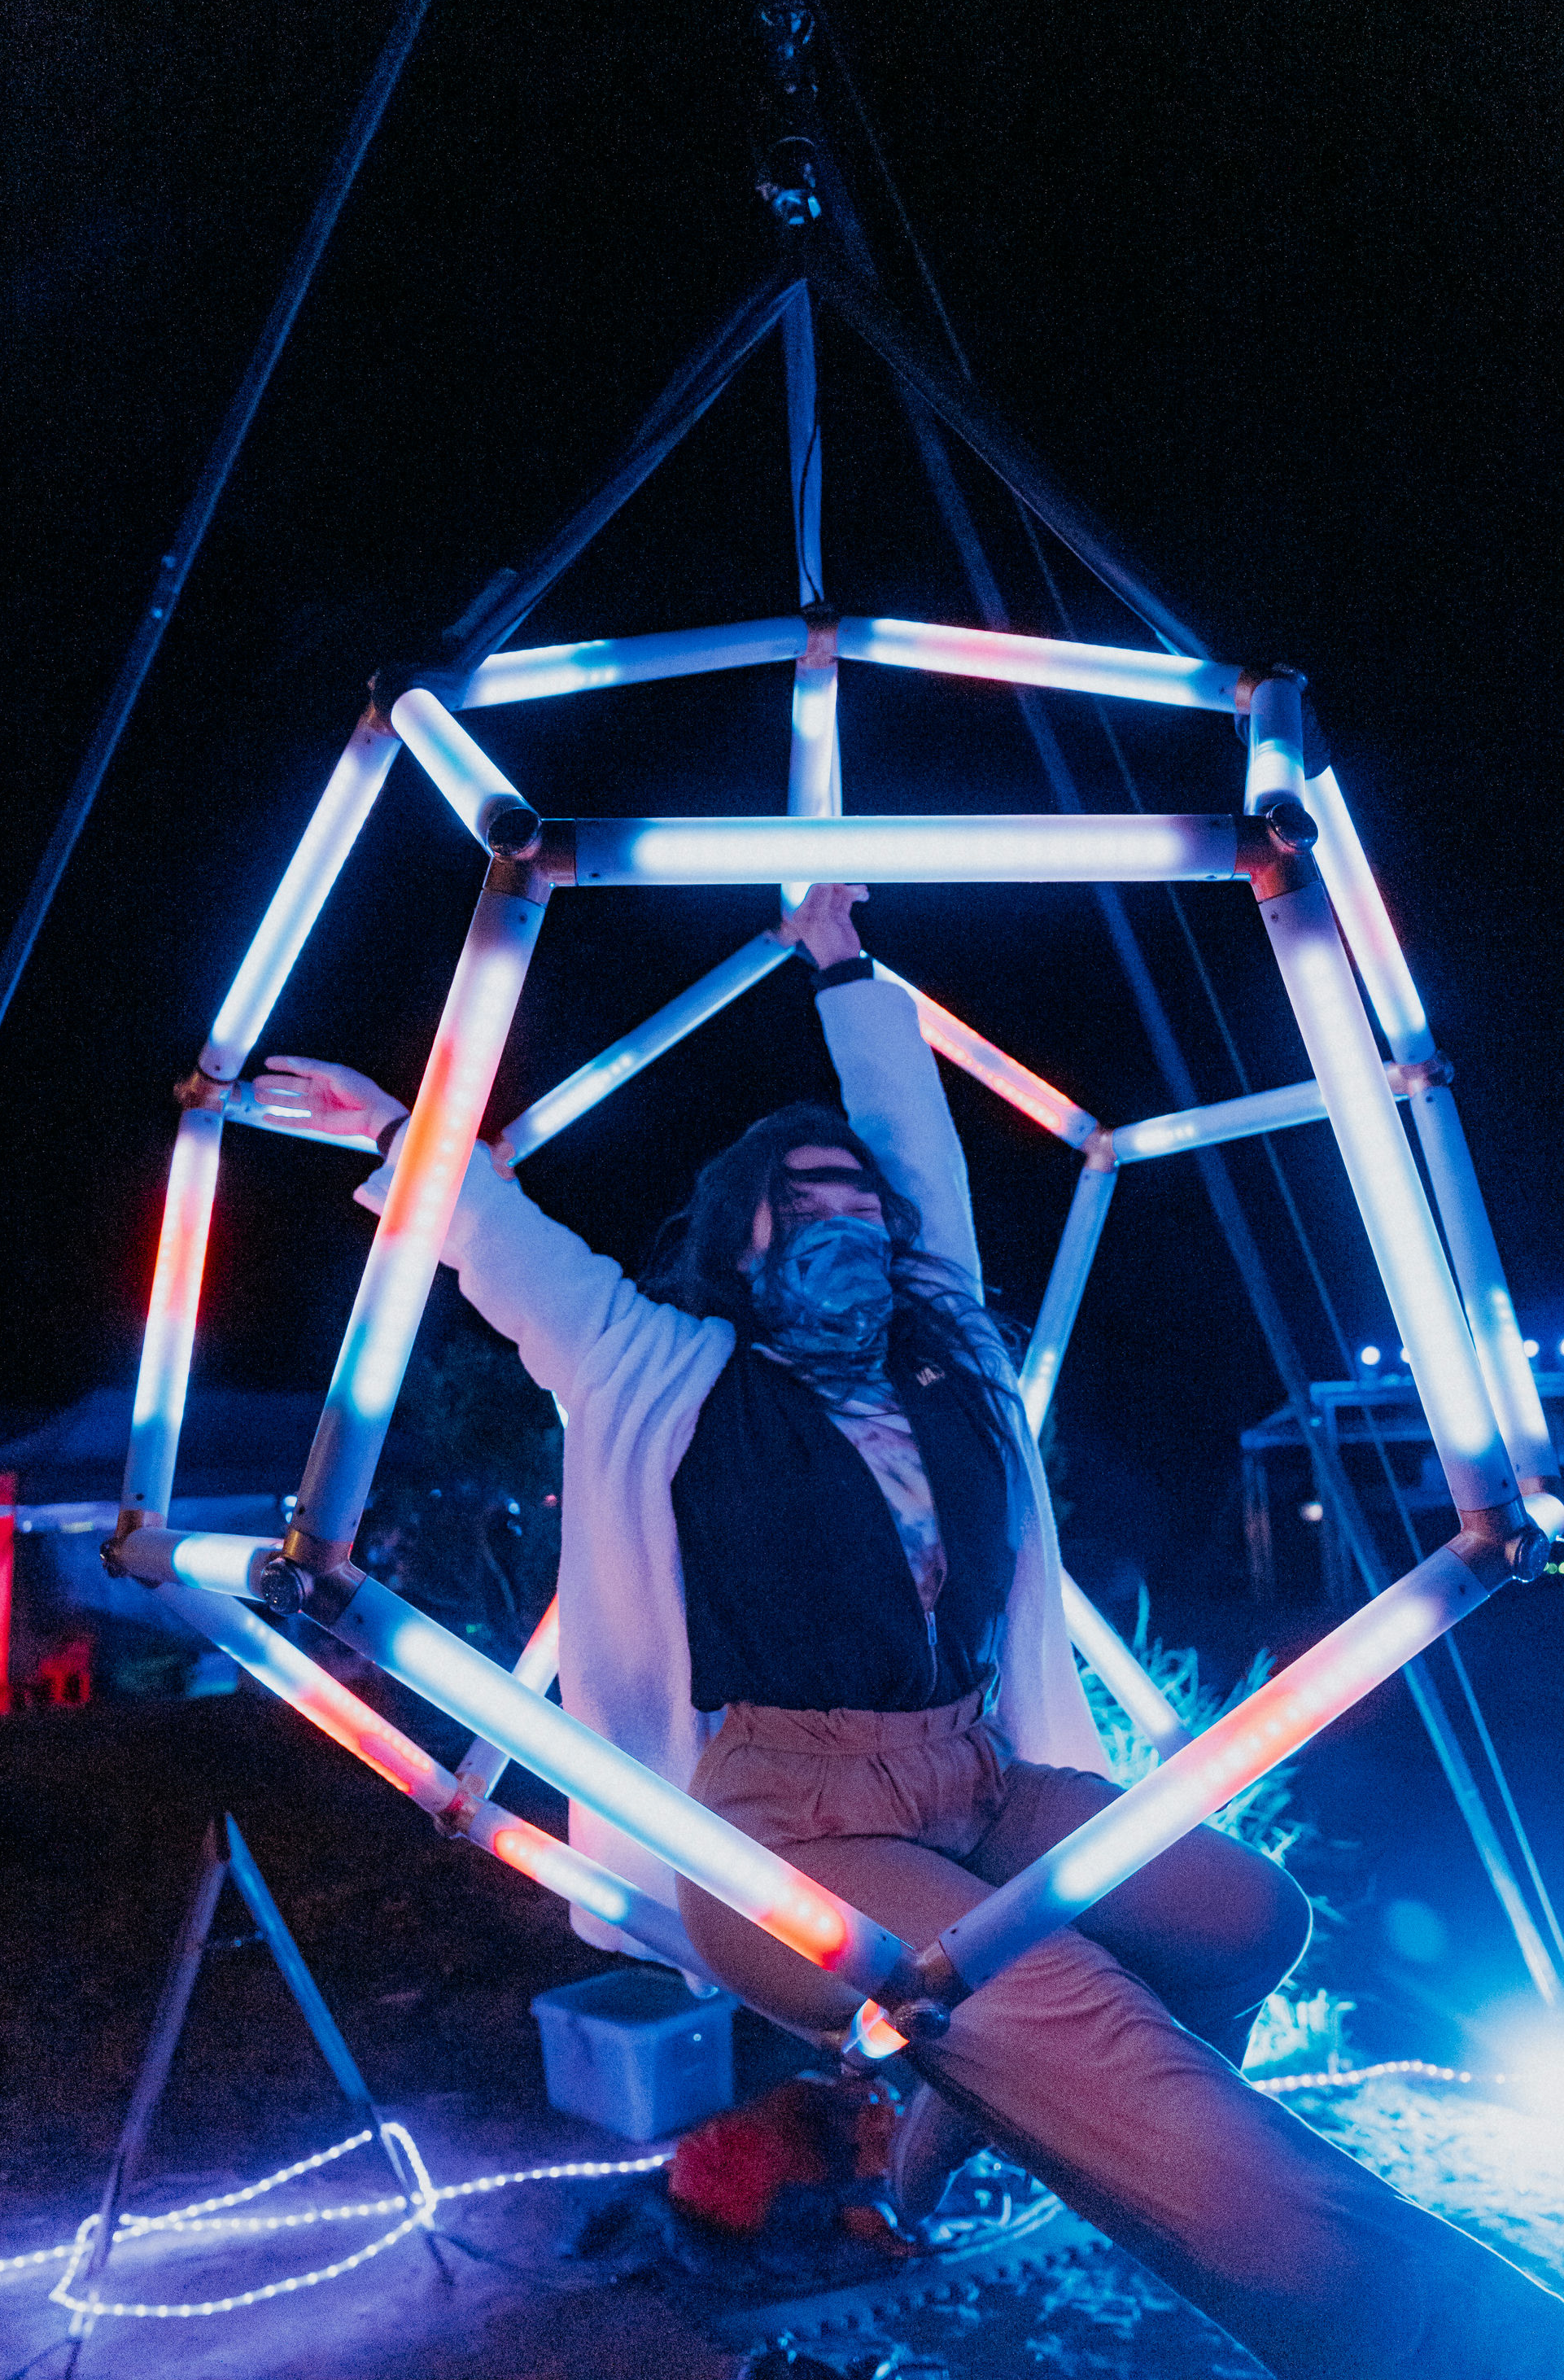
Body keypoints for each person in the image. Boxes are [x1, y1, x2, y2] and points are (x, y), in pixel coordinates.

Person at [257, 884, 1564, 2380]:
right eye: (804, 1200)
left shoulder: (946, 1364)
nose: (847, 1217)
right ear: (743, 1241)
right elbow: (505, 1245)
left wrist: (845, 966)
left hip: (977, 1780)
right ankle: (1444, 2335)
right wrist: (395, 1131)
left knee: (1246, 1921)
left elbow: (922, 1162)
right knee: (1072, 2018)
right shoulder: (663, 1370)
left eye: (858, 1197)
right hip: (787, 1824)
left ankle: (966, 2104)